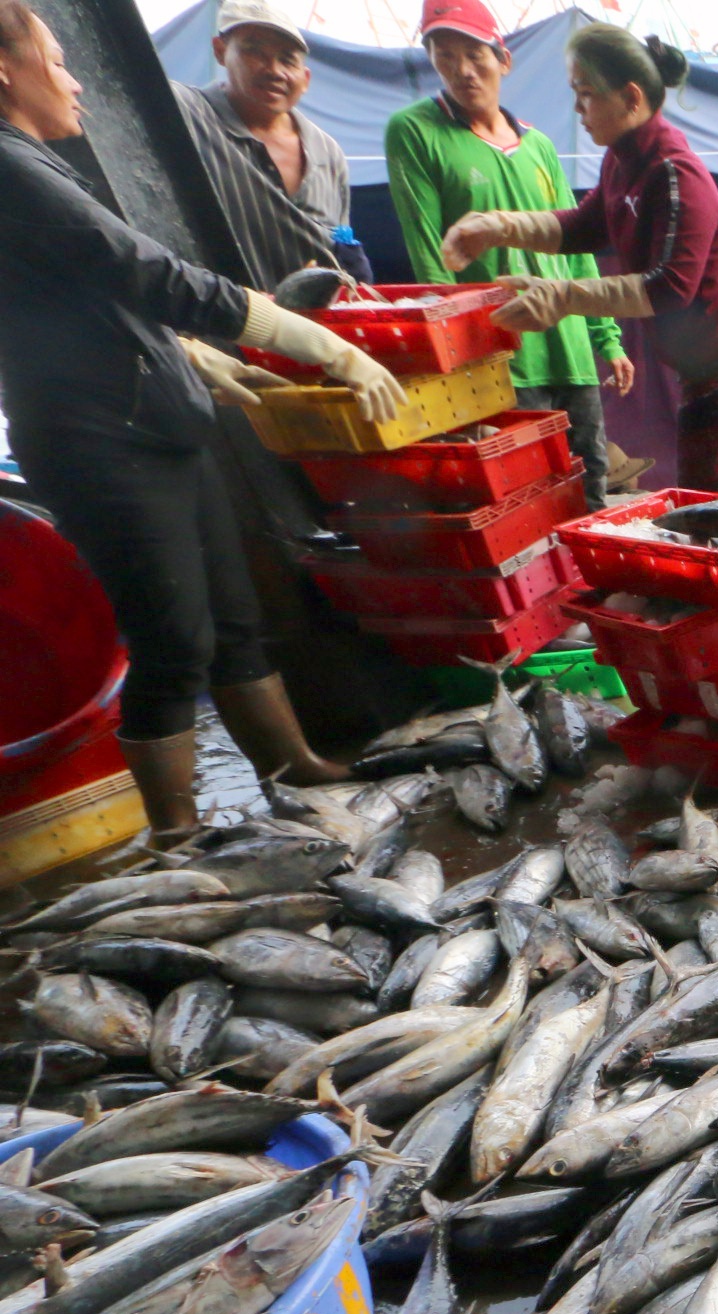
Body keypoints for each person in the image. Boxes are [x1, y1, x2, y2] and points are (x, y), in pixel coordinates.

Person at [0, 0, 402, 833]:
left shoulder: (36, 162)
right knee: (175, 640)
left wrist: (187, 355)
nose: (76, 80)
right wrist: (316, 344)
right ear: (7, 70)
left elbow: (85, 300)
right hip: (99, 443)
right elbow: (145, 271)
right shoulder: (8, 169)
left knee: (234, 617)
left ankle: (297, 768)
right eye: (60, 60)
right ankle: (179, 835)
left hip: (155, 420)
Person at [441, 25, 718, 499]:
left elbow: (668, 287)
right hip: (711, 373)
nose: (578, 109)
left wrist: (563, 296)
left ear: (631, 97)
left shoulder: (676, 175)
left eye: (587, 94)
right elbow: (582, 227)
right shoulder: (622, 160)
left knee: (711, 507)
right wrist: (498, 226)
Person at [385, 0, 631, 510]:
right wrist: (454, 353)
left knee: (591, 486)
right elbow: (431, 252)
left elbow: (577, 243)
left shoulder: (539, 145)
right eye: (444, 55)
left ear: (503, 58)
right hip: (502, 357)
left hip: (571, 352)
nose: (461, 69)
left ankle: (594, 588)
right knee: (526, 498)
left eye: (474, 53)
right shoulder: (415, 131)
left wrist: (606, 338)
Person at [170, 0, 360, 288]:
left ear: (305, 79)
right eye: (254, 50)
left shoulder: (328, 152)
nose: (274, 70)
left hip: (315, 328)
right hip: (218, 324)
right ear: (220, 52)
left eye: (288, 59)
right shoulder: (187, 113)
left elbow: (341, 243)